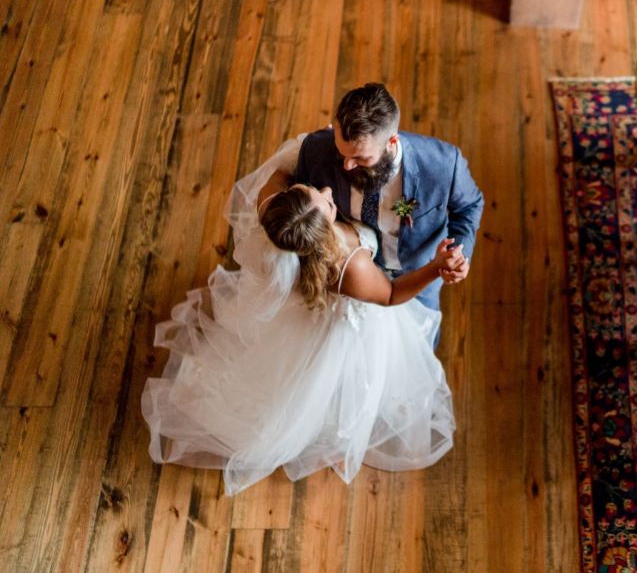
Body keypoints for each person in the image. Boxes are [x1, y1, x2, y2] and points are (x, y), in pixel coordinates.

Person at [141, 134, 463, 495]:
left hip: (304, 307)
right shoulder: (348, 266)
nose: (327, 191)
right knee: (347, 382)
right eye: (326, 203)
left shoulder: (272, 209)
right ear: (325, 230)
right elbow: (388, 295)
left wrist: (324, 143)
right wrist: (436, 268)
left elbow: (280, 170)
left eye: (312, 191)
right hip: (348, 319)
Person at [292, 83, 484, 314]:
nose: (347, 165)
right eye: (341, 151)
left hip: (419, 278)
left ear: (391, 142)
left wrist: (459, 254)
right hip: (352, 275)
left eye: (360, 158)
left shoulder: (443, 165)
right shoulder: (314, 150)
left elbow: (470, 206)